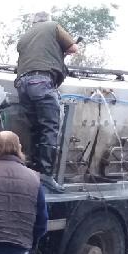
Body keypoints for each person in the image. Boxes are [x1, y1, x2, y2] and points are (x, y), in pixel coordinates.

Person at [15, 11, 78, 192]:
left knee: (35, 129)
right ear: (47, 20)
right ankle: (46, 175)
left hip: (22, 85)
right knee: (49, 128)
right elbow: (73, 48)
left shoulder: (24, 37)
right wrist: (61, 52)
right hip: (41, 82)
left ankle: (32, 171)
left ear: (33, 22)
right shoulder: (53, 26)